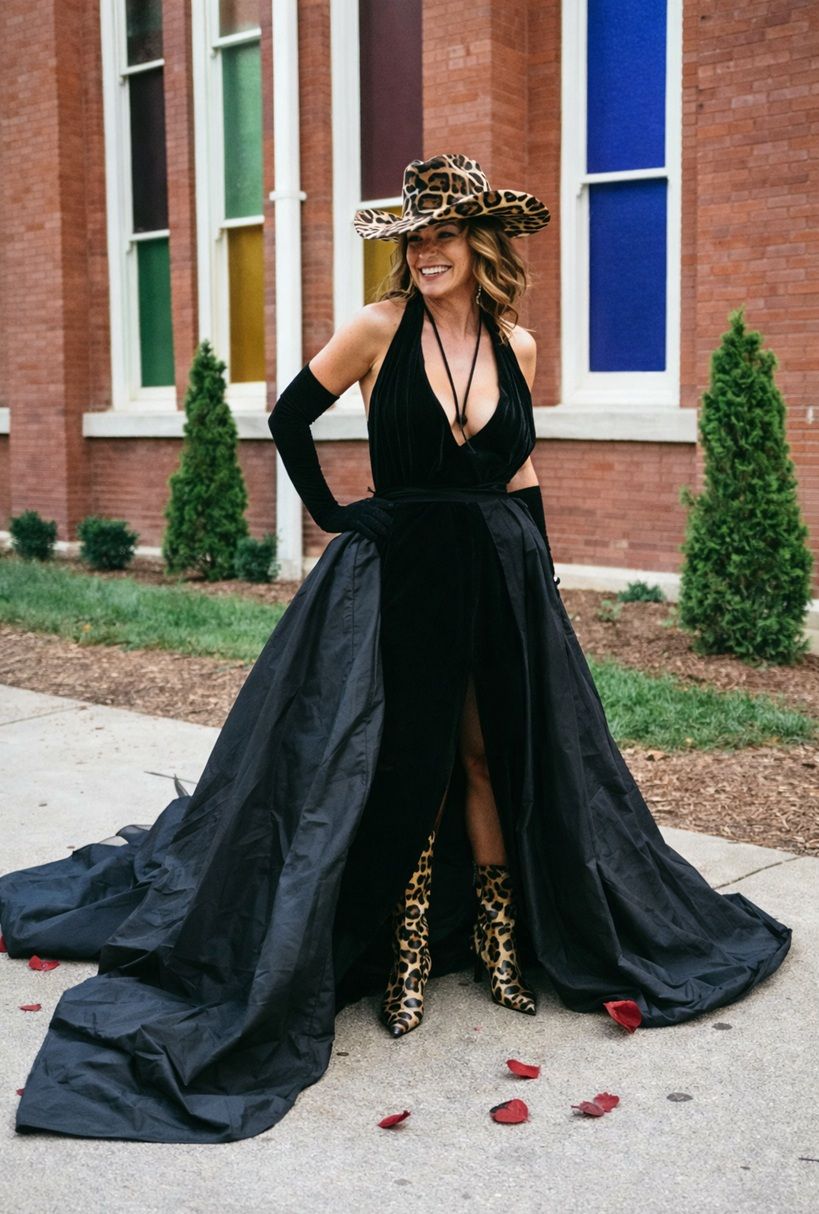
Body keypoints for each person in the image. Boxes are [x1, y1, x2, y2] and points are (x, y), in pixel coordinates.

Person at [0, 154, 791, 1145]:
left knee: (490, 759)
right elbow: (289, 415)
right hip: (399, 579)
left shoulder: (517, 344)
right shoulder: (377, 329)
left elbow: (519, 469)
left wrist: (541, 578)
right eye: (414, 239)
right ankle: (407, 949)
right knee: (405, 763)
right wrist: (337, 513)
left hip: (497, 577)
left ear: (479, 244)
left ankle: (498, 942)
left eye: (442, 235)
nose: (425, 252)